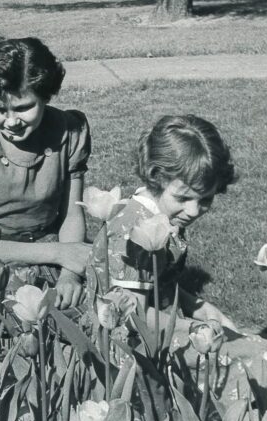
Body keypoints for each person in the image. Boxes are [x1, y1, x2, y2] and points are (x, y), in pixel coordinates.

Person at [0, 37, 91, 308]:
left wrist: (71, 273)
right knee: (30, 321)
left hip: (54, 242)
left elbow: (71, 213)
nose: (11, 121)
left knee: (106, 308)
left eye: (24, 108)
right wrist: (61, 254)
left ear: (45, 95)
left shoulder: (70, 131)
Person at [88, 114, 239, 329]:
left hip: (161, 323)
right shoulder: (134, 231)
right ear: (156, 176)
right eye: (183, 198)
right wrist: (195, 329)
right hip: (128, 338)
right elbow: (134, 314)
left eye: (206, 198)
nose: (193, 210)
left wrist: (204, 310)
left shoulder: (163, 216)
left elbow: (162, 286)